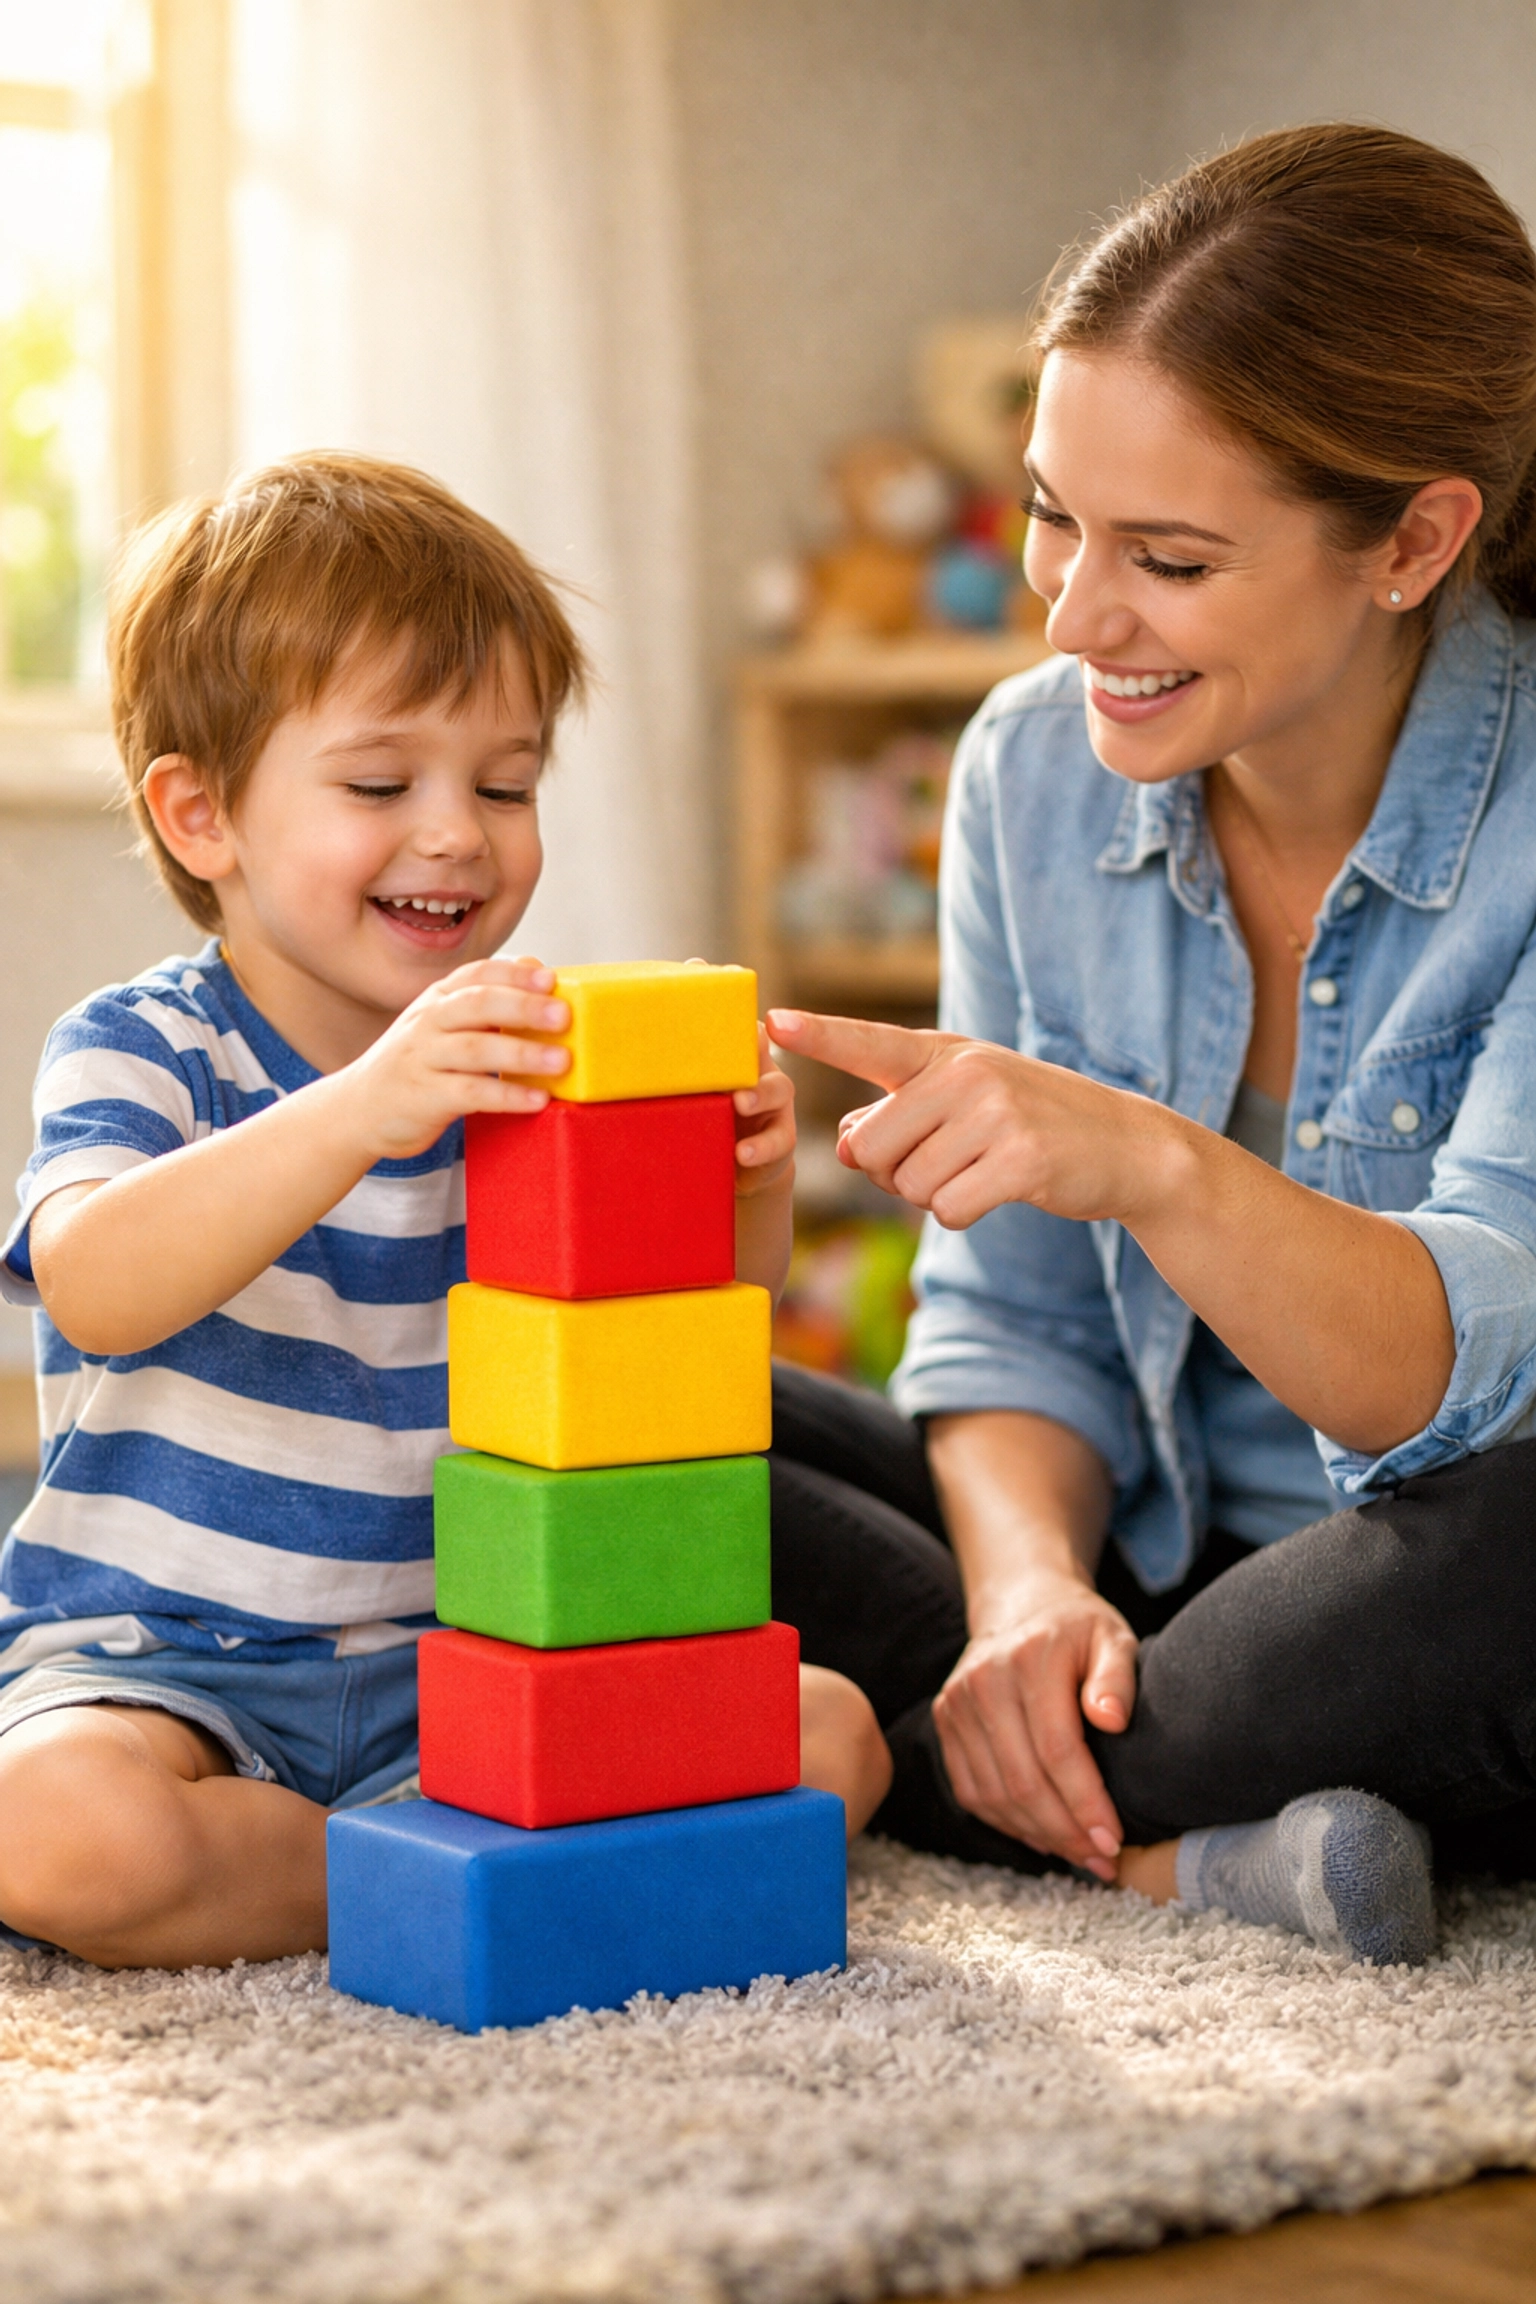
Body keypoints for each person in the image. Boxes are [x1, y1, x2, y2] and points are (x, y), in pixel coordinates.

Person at [765, 123, 1536, 1967]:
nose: (1073, 612)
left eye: (1168, 559)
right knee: (619, 1442)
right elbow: (1018, 1323)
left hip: (1433, 1562)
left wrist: (1157, 1164)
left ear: (1417, 539)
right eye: (1052, 514)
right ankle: (1176, 1819)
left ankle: (1004, 1780)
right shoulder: (1033, 773)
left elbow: (1458, 1385)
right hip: (1145, 1569)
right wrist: (1027, 1593)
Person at [0, 452, 881, 1972]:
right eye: (378, 784)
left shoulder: (533, 1062)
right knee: (57, 1836)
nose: (459, 834)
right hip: (170, 1672)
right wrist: (362, 1108)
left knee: (827, 1737)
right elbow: (93, 1280)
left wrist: (741, 1185)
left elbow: (691, 1344)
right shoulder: (143, 1046)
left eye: (506, 783)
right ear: (202, 817)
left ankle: (452, 1854)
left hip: (472, 1668)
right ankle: (438, 1877)